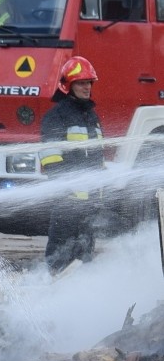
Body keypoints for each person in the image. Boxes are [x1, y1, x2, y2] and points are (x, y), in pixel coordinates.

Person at [39, 56, 104, 275]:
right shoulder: (56, 117)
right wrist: (67, 189)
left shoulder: (91, 116)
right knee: (60, 257)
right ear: (68, 85)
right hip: (67, 203)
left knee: (85, 258)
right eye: (81, 83)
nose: (87, 87)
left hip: (89, 203)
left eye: (89, 83)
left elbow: (97, 156)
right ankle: (53, 297)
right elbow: (50, 157)